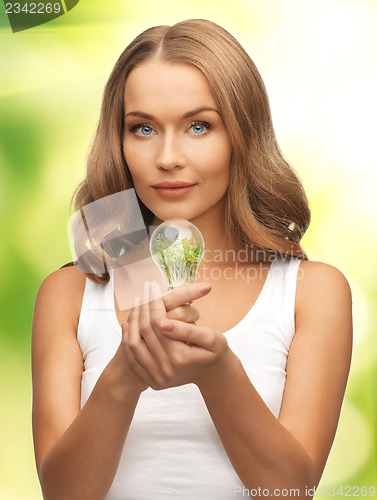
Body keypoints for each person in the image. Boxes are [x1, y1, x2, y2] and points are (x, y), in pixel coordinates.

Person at [31, 19, 352, 500]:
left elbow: (291, 491)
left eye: (198, 126)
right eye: (142, 128)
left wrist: (217, 374)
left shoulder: (311, 291)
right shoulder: (70, 293)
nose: (167, 157)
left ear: (242, 135)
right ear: (118, 143)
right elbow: (63, 494)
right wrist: (125, 375)